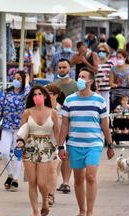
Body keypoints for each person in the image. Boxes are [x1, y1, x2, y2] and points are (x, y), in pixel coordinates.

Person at [58, 68, 115, 216]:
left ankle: (90, 213)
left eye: (83, 77)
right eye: (78, 77)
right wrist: (60, 146)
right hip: (74, 144)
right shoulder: (69, 100)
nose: (79, 80)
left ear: (90, 81)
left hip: (94, 144)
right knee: (78, 178)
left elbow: (105, 124)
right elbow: (64, 126)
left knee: (90, 176)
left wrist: (110, 145)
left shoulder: (99, 101)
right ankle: (81, 211)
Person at [16, 85, 59, 216]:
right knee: (32, 182)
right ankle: (35, 211)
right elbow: (22, 131)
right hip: (29, 146)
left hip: (46, 147)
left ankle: (45, 201)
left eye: (40, 94)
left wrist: (61, 147)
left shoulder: (52, 112)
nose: (37, 97)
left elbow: (57, 132)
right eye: (34, 95)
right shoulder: (27, 112)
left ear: (45, 96)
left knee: (42, 182)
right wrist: (20, 142)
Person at [0, 70, 30, 192]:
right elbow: (0, 108)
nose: (16, 80)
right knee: (4, 152)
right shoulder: (7, 92)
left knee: (17, 154)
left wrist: (27, 83)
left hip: (20, 128)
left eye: (19, 79)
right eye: (15, 78)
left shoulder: (25, 94)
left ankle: (15, 179)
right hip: (7, 126)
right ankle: (9, 174)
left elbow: (28, 94)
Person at [53, 59, 76, 194]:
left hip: (73, 123)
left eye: (64, 67)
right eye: (60, 67)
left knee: (69, 152)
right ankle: (62, 181)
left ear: (69, 68)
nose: (62, 69)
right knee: (61, 152)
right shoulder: (53, 85)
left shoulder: (76, 86)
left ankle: (66, 182)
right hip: (58, 123)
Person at [45, 84, 66, 206]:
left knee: (52, 169)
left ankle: (51, 195)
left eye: (49, 93)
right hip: (41, 144)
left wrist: (61, 146)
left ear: (56, 95)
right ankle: (44, 192)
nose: (45, 95)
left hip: (57, 143)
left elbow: (64, 129)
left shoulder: (62, 110)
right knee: (42, 173)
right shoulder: (40, 108)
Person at [95, 43, 114, 109]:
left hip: (106, 89)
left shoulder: (110, 63)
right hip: (96, 89)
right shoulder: (95, 63)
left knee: (106, 108)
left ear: (107, 52)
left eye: (103, 51)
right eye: (99, 51)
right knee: (97, 107)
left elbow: (113, 76)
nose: (101, 52)